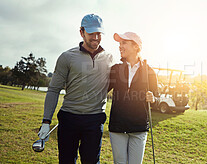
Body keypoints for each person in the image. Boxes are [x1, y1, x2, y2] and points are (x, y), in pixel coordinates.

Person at [37, 14, 113, 164]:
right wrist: (46, 121)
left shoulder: (109, 58)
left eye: (99, 33)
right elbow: (53, 89)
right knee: (66, 161)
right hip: (69, 118)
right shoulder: (67, 57)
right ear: (81, 32)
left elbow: (114, 84)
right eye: (91, 33)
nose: (96, 37)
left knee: (91, 161)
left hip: (95, 119)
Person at [108, 32, 158, 164]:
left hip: (139, 128)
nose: (120, 46)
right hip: (117, 127)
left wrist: (153, 99)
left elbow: (157, 98)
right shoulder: (115, 69)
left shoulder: (149, 72)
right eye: (119, 43)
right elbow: (101, 90)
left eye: (124, 43)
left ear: (136, 47)